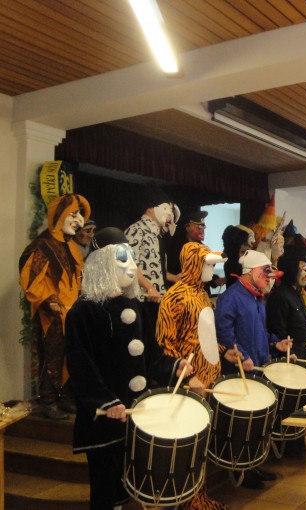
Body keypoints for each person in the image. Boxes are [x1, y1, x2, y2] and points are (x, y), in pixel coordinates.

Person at [64, 227, 200, 510]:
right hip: (105, 417)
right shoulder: (83, 311)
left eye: (132, 259)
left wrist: (175, 366)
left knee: (130, 486)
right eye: (122, 259)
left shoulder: (135, 306)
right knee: (105, 489)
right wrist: (104, 401)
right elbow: (81, 366)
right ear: (102, 263)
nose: (131, 267)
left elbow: (151, 356)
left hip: (136, 413)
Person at [156, 241, 235, 509]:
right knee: (191, 445)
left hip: (210, 378)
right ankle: (190, 501)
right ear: (193, 264)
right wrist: (187, 377)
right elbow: (165, 343)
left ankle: (199, 497)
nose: (211, 269)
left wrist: (223, 352)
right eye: (207, 264)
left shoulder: (201, 294)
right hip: (191, 383)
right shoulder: (174, 297)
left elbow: (203, 335)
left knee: (203, 444)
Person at [214, 249, 290, 489]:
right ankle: (240, 470)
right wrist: (242, 356)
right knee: (242, 424)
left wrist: (275, 343)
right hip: (238, 371)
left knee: (256, 423)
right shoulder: (230, 298)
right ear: (251, 272)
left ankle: (252, 464)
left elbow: (261, 332)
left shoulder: (258, 298)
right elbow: (224, 335)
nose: (270, 278)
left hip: (258, 368)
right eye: (266, 273)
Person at [19, 193, 91, 420]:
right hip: (51, 315)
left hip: (72, 312)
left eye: (79, 215)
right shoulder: (42, 246)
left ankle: (65, 397)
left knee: (71, 355)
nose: (78, 220)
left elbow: (78, 280)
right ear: (58, 215)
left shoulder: (72, 248)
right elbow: (30, 278)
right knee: (52, 356)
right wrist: (49, 301)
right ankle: (48, 401)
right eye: (73, 214)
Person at [124, 186, 180, 329]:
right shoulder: (136, 230)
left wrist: (174, 277)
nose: (169, 214)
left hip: (157, 299)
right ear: (150, 210)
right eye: (165, 208)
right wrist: (149, 288)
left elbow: (155, 269)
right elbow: (130, 265)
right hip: (141, 300)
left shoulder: (157, 235)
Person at [266, 243, 306, 361]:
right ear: (292, 269)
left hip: (303, 354)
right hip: (291, 358)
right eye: (304, 269)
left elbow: (302, 324)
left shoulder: (297, 294)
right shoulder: (280, 296)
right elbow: (278, 331)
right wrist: (289, 352)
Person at [166, 210, 226, 290]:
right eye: (199, 227)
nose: (202, 230)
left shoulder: (204, 248)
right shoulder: (175, 247)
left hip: (201, 293)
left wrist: (215, 280)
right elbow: (164, 270)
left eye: (203, 227)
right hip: (182, 292)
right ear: (188, 228)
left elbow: (203, 273)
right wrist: (174, 277)